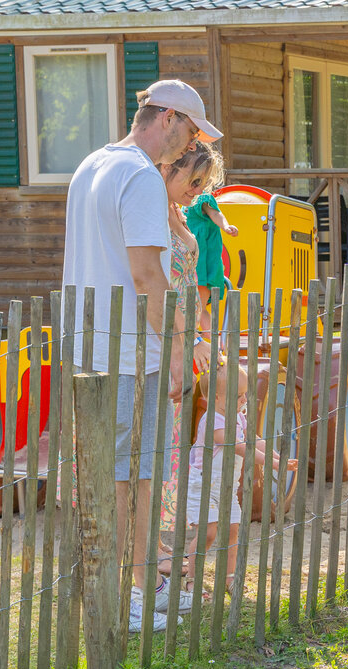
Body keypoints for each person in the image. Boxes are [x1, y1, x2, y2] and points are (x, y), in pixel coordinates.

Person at [61, 78, 221, 633]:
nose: (190, 144)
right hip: (132, 352)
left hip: (90, 348)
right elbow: (147, 274)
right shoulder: (138, 176)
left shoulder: (92, 164)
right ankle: (129, 592)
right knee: (133, 476)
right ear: (170, 118)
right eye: (192, 131)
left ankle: (132, 583)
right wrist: (178, 352)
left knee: (116, 473)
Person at [154, 142, 225, 572]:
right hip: (160, 334)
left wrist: (205, 332)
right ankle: (146, 549)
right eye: (192, 180)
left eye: (204, 184)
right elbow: (156, 283)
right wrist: (190, 337)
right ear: (169, 169)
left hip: (185, 335)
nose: (197, 191)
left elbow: (188, 282)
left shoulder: (179, 214)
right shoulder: (151, 213)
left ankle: (155, 544)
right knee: (156, 440)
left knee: (173, 437)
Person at [183, 362, 296, 596]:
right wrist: (274, 464)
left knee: (233, 530)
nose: (244, 400)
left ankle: (229, 577)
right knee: (208, 533)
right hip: (204, 486)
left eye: (245, 394)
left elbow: (254, 440)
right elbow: (242, 448)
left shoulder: (237, 417)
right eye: (238, 396)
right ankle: (193, 579)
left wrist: (280, 456)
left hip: (226, 487)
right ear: (215, 398)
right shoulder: (213, 422)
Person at [185, 180, 238, 333]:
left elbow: (216, 213)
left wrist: (226, 226)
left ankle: (214, 347)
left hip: (202, 267)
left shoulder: (202, 198)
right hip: (190, 267)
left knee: (198, 310)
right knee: (194, 310)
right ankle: (212, 346)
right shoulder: (183, 203)